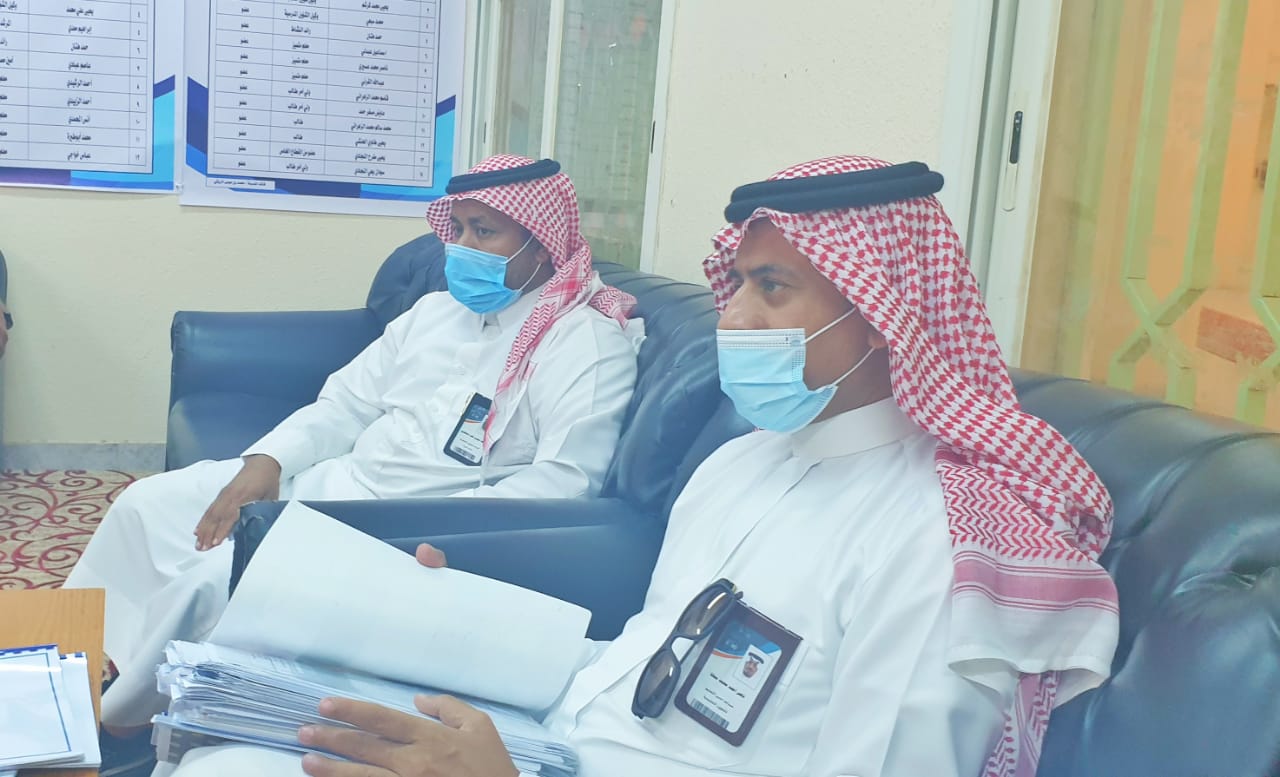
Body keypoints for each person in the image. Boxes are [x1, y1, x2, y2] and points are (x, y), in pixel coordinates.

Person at [162, 156, 1119, 777]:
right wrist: (459, 615)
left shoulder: (937, 547)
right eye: (736, 283)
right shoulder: (742, 467)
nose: (732, 316)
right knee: (232, 741)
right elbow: (646, 664)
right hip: (561, 744)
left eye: (772, 287)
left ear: (881, 318)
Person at [64, 154, 644, 745]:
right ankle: (95, 664)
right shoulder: (435, 312)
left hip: (406, 531)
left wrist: (424, 532)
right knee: (147, 506)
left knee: (219, 575)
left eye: (484, 232)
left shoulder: (585, 345)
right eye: (458, 228)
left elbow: (566, 483)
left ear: (540, 246)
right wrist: (268, 462)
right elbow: (346, 403)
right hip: (335, 482)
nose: (462, 247)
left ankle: (121, 723)